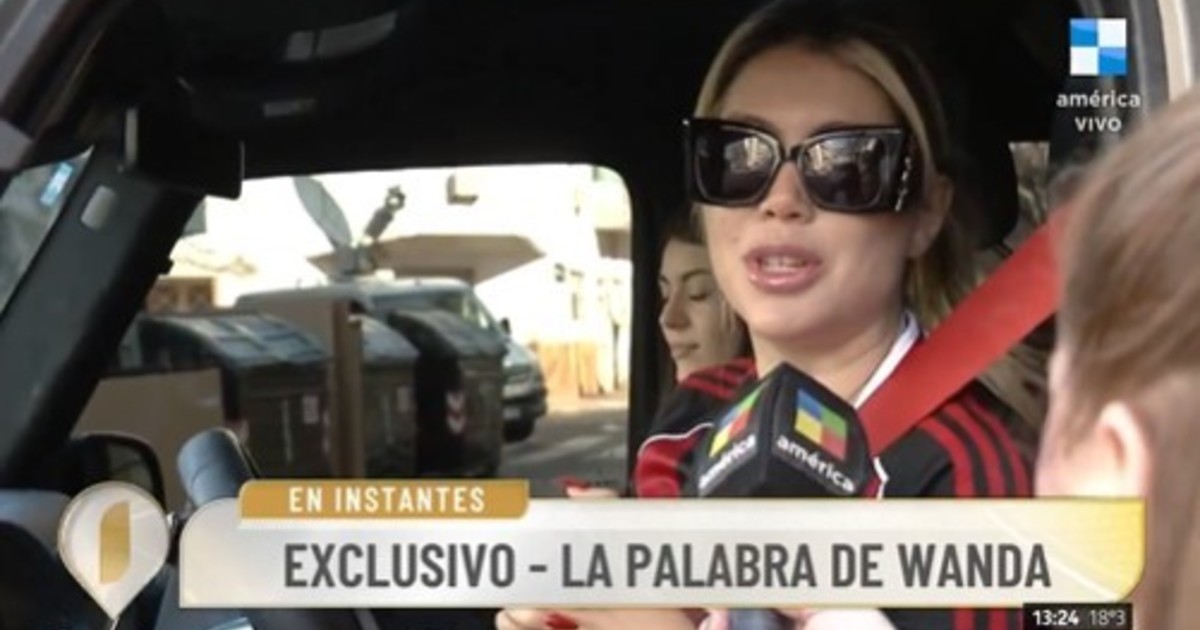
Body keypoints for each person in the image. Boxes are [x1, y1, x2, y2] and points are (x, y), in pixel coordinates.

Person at [496, 0, 1038, 628]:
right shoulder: (695, 413)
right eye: (738, 157)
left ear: (925, 214)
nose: (781, 200)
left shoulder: (970, 475)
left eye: (846, 164)